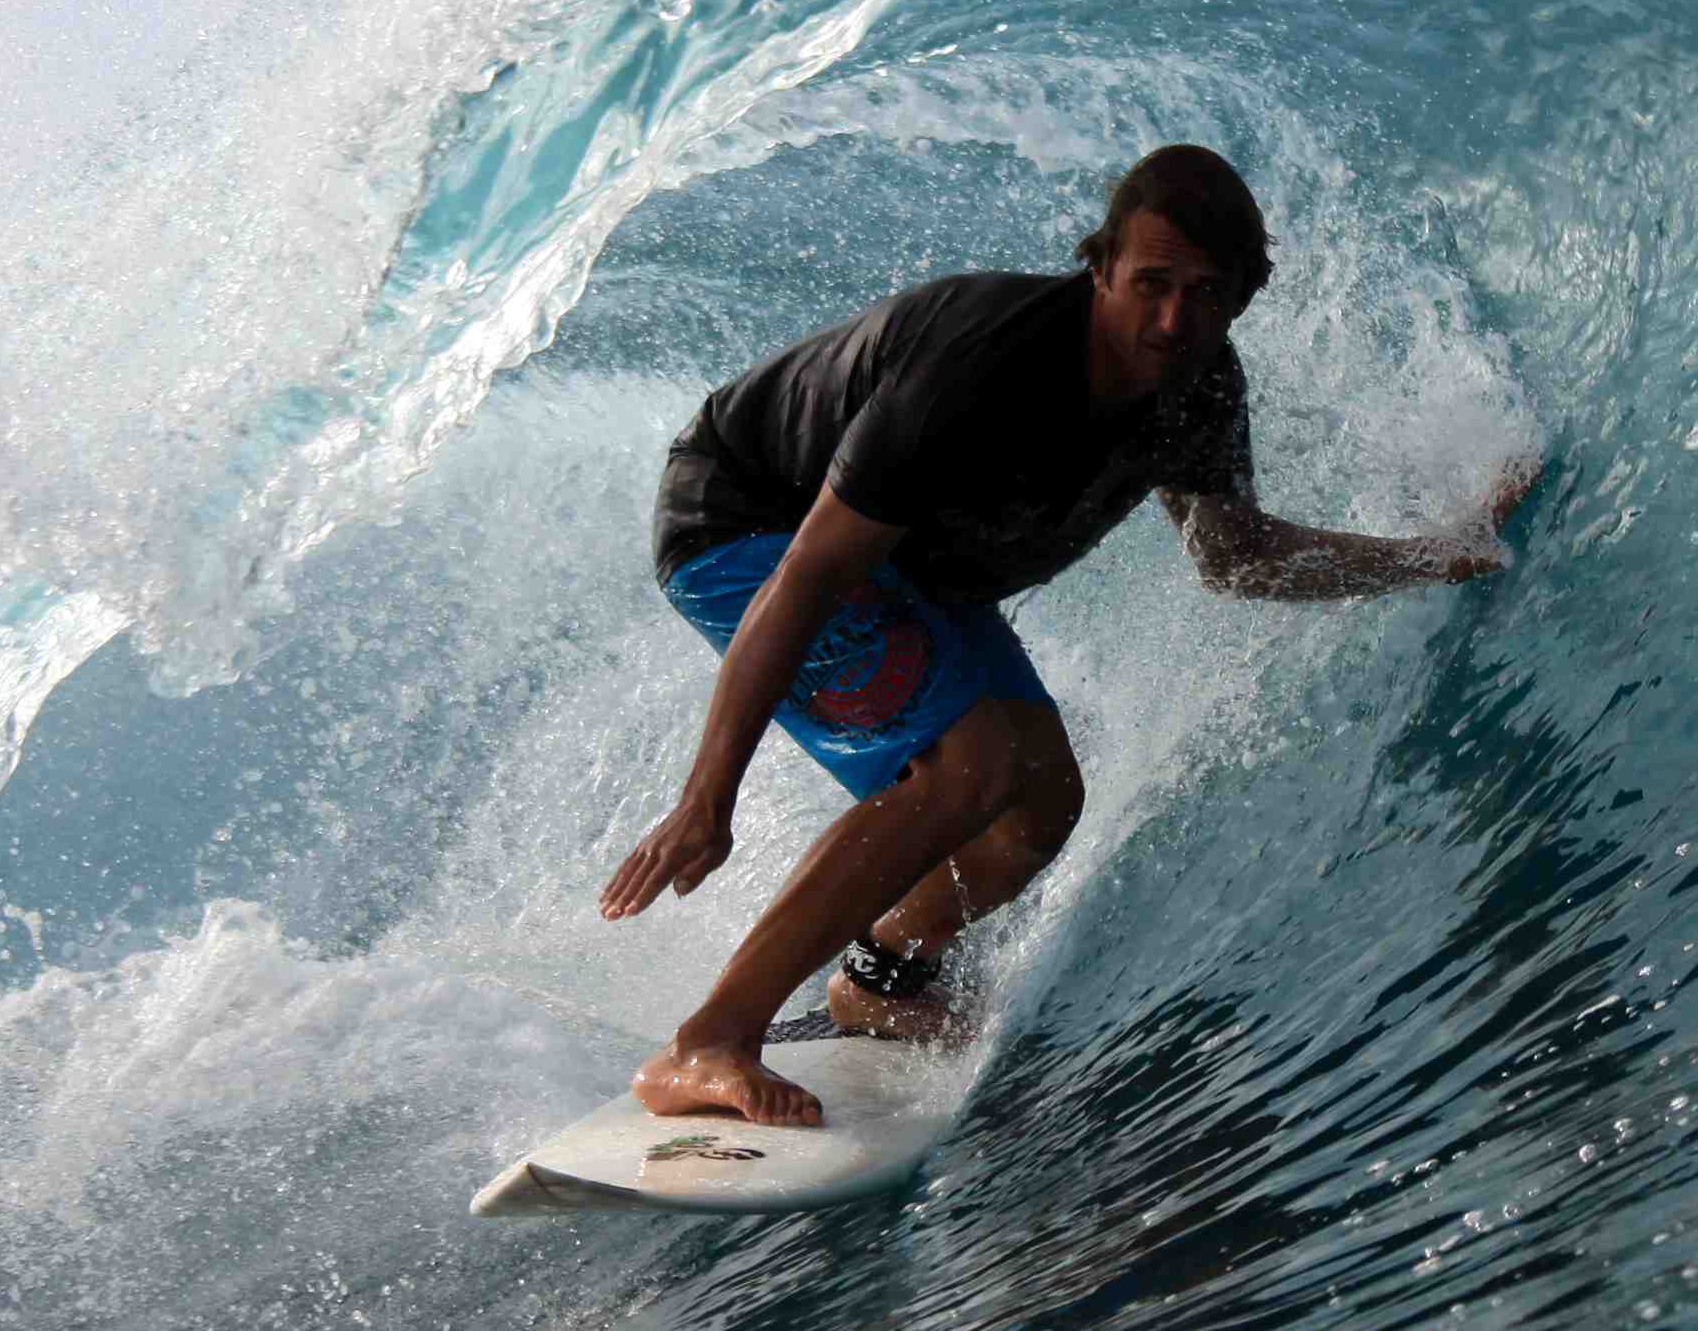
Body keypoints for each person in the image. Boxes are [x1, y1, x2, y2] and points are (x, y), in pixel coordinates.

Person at [600, 144, 1536, 1126]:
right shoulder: (979, 367)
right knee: (975, 765)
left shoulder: (1200, 394)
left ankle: (881, 980)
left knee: (1039, 800)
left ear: (1246, 295)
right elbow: (807, 578)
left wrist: (1438, 555)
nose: (1174, 319)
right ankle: (706, 1042)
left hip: (905, 565)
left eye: (1207, 293)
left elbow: (1238, 557)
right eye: (1152, 285)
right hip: (751, 526)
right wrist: (707, 800)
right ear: (1100, 267)